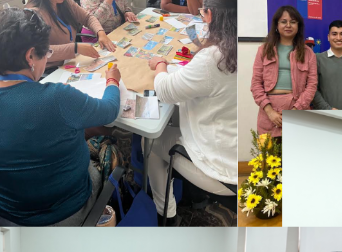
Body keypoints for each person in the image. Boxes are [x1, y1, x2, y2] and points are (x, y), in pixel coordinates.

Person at [0, 8, 121, 226]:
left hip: (9, 217)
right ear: (30, 56)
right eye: (45, 53)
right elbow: (110, 110)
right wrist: (112, 80)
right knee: (107, 149)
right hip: (67, 212)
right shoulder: (57, 98)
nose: (46, 59)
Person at [147, 0, 237, 225]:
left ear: (208, 16)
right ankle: (190, 195)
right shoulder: (246, 47)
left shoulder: (214, 57)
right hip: (245, 157)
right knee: (178, 117)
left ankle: (166, 214)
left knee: (150, 142)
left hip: (223, 170)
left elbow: (165, 90)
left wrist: (160, 64)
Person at [251, 5, 317, 139]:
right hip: (269, 111)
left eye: (293, 22)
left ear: (298, 26)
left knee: (296, 157)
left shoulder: (308, 53)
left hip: (298, 109)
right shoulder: (263, 50)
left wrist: (294, 111)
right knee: (270, 158)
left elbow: (312, 85)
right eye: (283, 21)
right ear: (276, 25)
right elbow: (256, 84)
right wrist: (270, 112)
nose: (288, 25)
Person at [25, 0, 116, 70]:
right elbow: (38, 51)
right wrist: (75, 48)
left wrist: (100, 33)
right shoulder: (33, 14)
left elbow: (88, 18)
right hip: (50, 70)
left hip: (71, 62)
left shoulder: (66, 3)